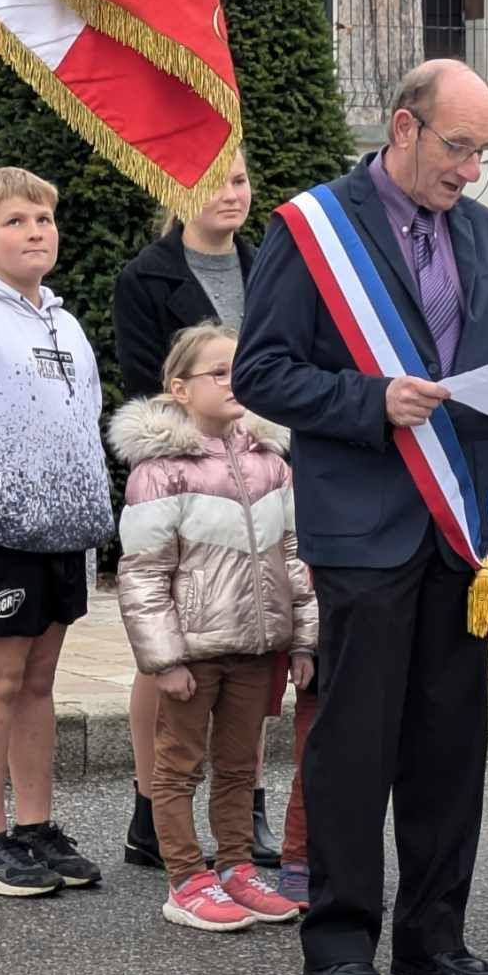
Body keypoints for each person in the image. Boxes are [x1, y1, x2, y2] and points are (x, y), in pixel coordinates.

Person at [234, 58, 488, 975]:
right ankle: (341, 941)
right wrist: (371, 399)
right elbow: (262, 373)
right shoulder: (312, 229)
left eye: (485, 153)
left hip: (460, 533)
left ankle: (431, 935)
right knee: (357, 743)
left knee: (449, 746)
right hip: (364, 526)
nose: (470, 171)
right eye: (457, 148)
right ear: (403, 128)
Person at [0, 167, 115, 896]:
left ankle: (34, 826)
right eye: (15, 221)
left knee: (39, 683)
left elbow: (84, 424)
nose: (34, 230)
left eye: (42, 218)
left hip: (61, 536)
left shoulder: (65, 325)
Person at [110, 324, 316, 933]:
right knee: (178, 765)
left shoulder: (270, 462)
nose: (234, 382)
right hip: (194, 651)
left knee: (240, 767)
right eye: (218, 372)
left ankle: (236, 866)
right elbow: (143, 574)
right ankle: (184, 877)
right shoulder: (160, 472)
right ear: (179, 389)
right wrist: (163, 659)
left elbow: (295, 554)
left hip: (257, 647)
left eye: (240, 369)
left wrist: (303, 637)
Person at [112, 152, 283, 872]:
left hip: (260, 471)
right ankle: (155, 806)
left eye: (240, 178)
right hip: (186, 478)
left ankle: (246, 806)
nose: (229, 192)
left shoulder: (269, 265)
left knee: (250, 646)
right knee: (171, 649)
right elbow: (144, 385)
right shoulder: (144, 278)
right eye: (211, 177)